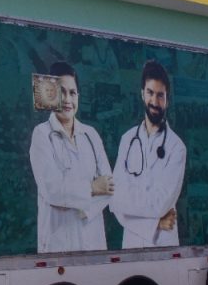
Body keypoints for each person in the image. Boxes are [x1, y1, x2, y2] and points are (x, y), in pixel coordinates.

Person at [29, 61, 114, 253]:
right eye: (61, 92)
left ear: (78, 96)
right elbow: (52, 189)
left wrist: (83, 208)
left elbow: (109, 186)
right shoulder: (42, 134)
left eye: (72, 93)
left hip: (93, 242)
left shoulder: (91, 134)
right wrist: (92, 187)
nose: (68, 99)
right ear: (50, 94)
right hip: (58, 244)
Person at [111, 59, 186, 248]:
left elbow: (160, 204)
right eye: (150, 93)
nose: (155, 101)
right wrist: (155, 224)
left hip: (163, 246)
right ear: (142, 94)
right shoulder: (127, 140)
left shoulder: (177, 147)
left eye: (160, 95)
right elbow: (115, 199)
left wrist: (128, 199)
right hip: (132, 245)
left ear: (167, 99)